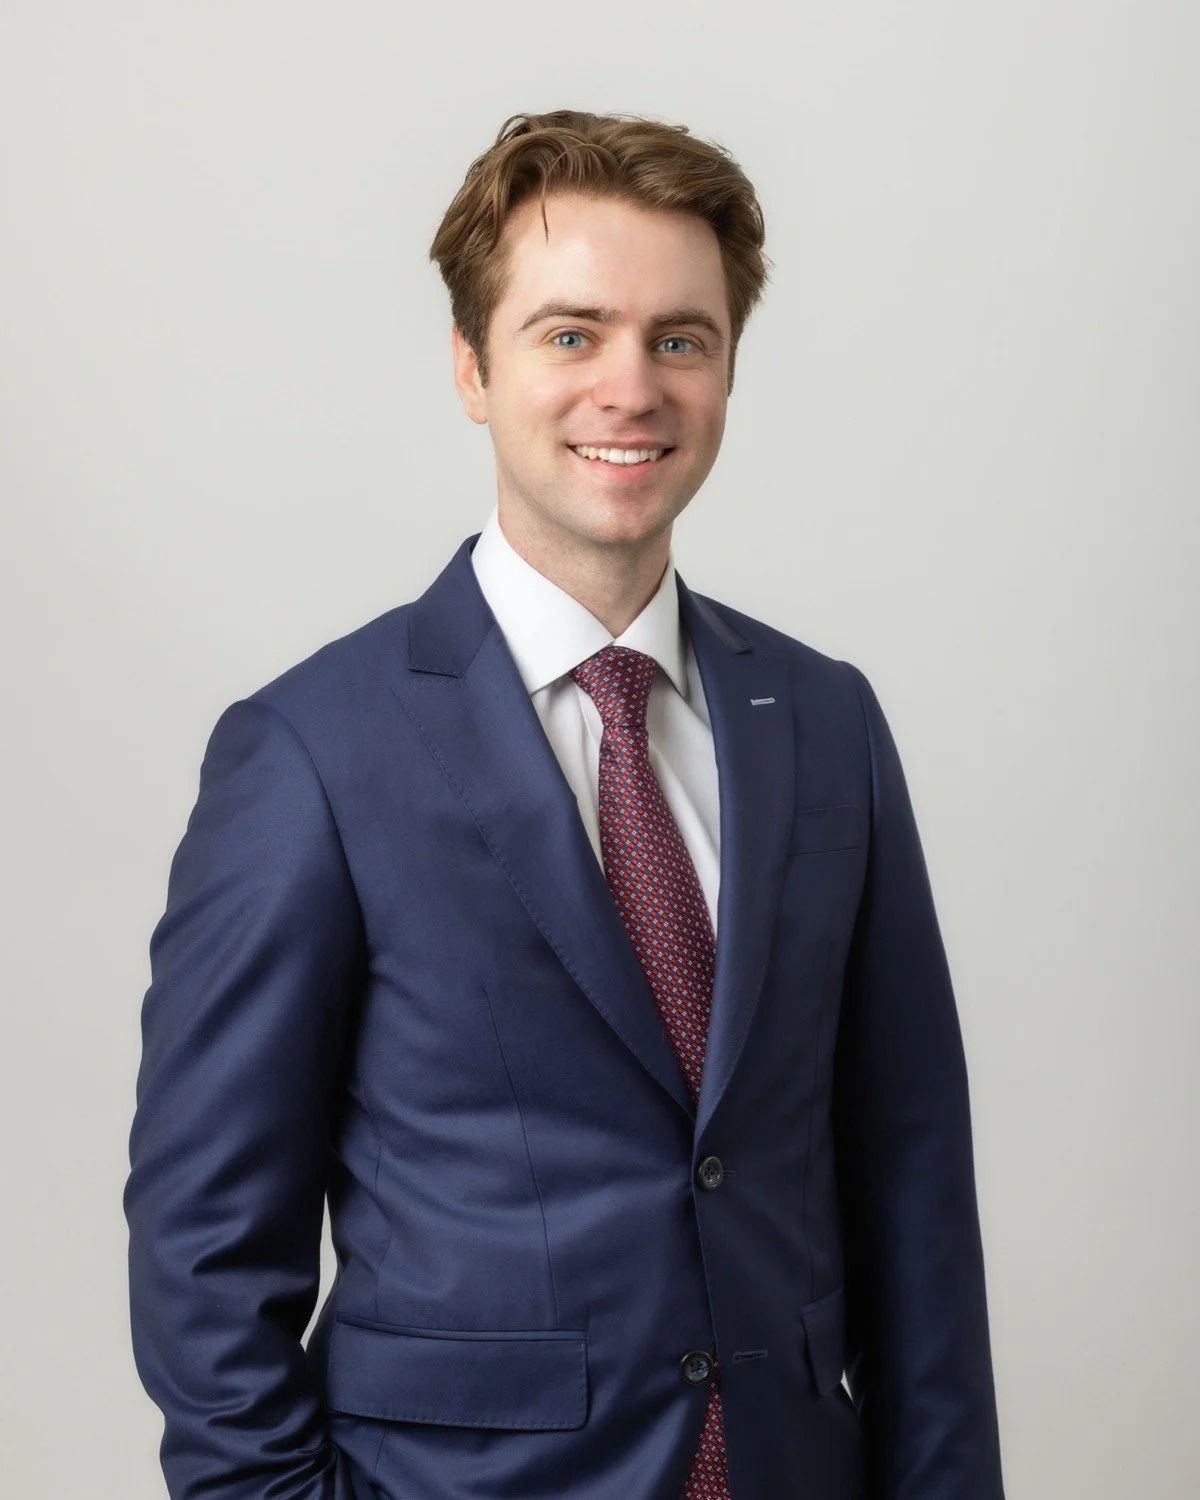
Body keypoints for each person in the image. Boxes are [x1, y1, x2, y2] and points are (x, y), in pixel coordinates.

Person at [124, 108, 1006, 1499]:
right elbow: (204, 1244)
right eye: (570, 334)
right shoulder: (309, 754)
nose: (631, 388)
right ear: (473, 367)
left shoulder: (826, 723)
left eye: (680, 339)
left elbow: (912, 1187)